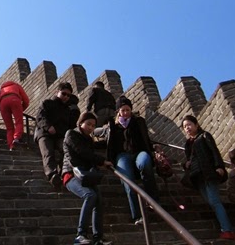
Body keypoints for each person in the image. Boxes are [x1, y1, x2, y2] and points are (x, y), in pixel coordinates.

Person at [182, 115, 235, 241]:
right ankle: (225, 228)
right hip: (197, 176)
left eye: (189, 124)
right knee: (211, 202)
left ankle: (228, 230)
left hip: (208, 173)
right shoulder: (187, 144)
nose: (187, 128)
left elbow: (214, 151)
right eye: (185, 126)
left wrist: (219, 166)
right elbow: (189, 159)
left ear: (196, 125)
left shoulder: (204, 136)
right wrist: (186, 164)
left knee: (215, 201)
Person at [62, 111, 114, 245]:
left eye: (93, 125)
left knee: (98, 201)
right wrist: (102, 161)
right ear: (80, 123)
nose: (91, 128)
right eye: (88, 124)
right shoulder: (71, 134)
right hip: (71, 174)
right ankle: (80, 235)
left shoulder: (89, 140)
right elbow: (83, 153)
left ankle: (98, 238)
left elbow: (90, 157)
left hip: (86, 176)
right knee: (90, 195)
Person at [106, 96, 159, 226]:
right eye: (123, 110)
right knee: (128, 182)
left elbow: (145, 138)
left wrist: (153, 149)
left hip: (139, 152)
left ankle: (153, 201)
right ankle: (137, 215)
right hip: (122, 155)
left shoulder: (138, 121)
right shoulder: (113, 124)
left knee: (145, 162)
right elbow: (108, 141)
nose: (125, 113)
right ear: (118, 111)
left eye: (128, 110)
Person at [34, 82, 74, 190]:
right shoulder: (47, 103)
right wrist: (48, 126)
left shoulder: (67, 110)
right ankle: (52, 175)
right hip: (44, 133)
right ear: (57, 92)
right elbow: (40, 117)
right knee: (48, 152)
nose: (66, 97)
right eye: (64, 93)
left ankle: (63, 174)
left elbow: (70, 126)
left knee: (67, 151)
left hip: (60, 136)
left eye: (68, 95)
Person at [0, 80, 30, 150]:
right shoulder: (16, 86)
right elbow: (26, 100)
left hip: (3, 104)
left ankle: (11, 146)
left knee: (9, 127)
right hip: (14, 99)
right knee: (19, 122)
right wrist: (21, 109)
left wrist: (7, 112)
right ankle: (17, 138)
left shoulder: (1, 90)